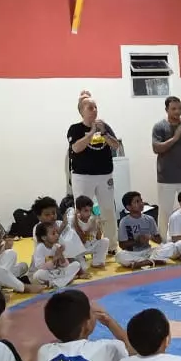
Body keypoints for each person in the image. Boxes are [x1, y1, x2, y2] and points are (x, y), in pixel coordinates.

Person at [68, 94, 121, 252]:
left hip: (104, 175)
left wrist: (103, 132)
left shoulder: (104, 126)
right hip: (83, 176)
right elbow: (76, 148)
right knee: (82, 213)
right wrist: (91, 132)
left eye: (96, 107)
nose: (94, 110)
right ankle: (78, 248)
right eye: (90, 108)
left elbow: (115, 145)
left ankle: (112, 245)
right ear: (82, 111)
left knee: (108, 210)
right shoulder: (75, 129)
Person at [152, 96, 181, 220]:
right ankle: (164, 238)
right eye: (173, 109)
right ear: (166, 110)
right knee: (165, 211)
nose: (177, 111)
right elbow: (156, 148)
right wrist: (175, 138)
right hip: (166, 178)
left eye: (179, 108)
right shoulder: (159, 127)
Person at [116, 191, 162, 269]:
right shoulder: (124, 222)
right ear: (128, 207)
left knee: (169, 247)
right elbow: (122, 245)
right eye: (137, 201)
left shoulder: (149, 219)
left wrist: (151, 237)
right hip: (132, 253)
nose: (141, 203)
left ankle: (143, 262)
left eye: (141, 200)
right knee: (119, 256)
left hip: (148, 251)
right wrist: (137, 241)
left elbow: (159, 240)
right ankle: (152, 261)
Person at [31, 223, 84, 289]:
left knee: (76, 264)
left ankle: (55, 283)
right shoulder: (40, 248)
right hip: (48, 273)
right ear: (44, 237)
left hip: (58, 272)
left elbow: (65, 265)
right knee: (37, 275)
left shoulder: (56, 246)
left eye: (57, 233)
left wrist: (61, 255)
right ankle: (65, 281)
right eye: (53, 234)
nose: (57, 235)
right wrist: (55, 258)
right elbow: (39, 266)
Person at [64, 196, 110, 272]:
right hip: (78, 249)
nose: (89, 213)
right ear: (78, 211)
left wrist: (98, 227)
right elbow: (82, 240)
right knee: (83, 268)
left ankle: (97, 262)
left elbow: (98, 238)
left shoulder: (92, 219)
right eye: (85, 211)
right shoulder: (73, 221)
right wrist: (89, 229)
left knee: (105, 241)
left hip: (90, 246)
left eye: (90, 210)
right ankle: (79, 262)